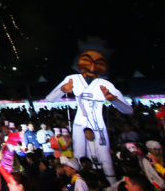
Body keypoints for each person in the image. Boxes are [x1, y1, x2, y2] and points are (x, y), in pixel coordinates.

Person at [45, 39, 133, 183]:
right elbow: (49, 99)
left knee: (105, 156)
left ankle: (112, 185)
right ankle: (82, 183)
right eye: (87, 60)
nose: (92, 66)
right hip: (79, 124)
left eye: (98, 62)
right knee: (79, 154)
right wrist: (62, 90)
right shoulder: (72, 79)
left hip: (98, 125)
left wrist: (113, 99)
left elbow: (128, 110)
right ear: (78, 62)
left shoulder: (105, 84)